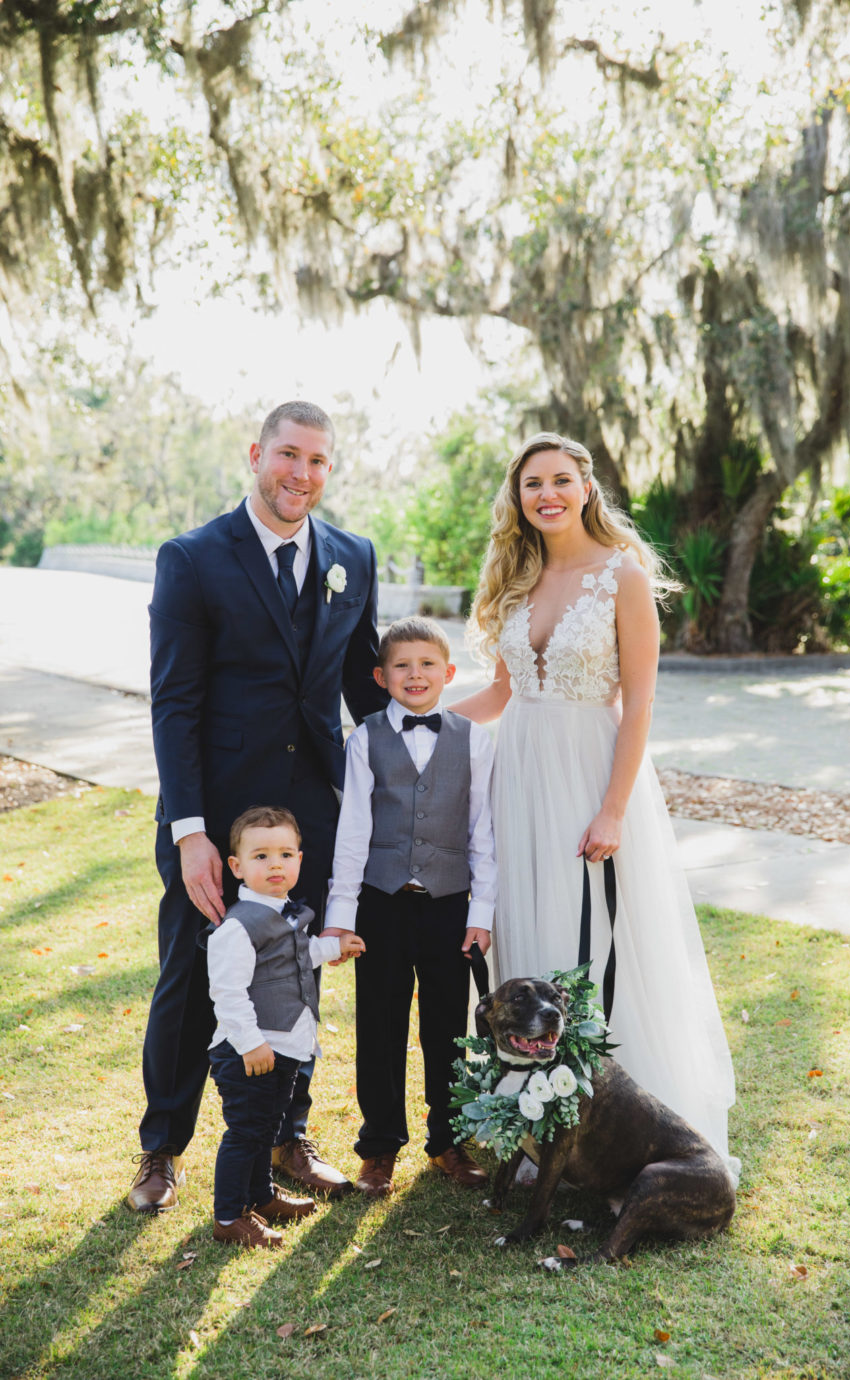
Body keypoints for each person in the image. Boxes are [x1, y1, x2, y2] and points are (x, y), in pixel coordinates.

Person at [452, 433, 738, 1175]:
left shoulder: (623, 576)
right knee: (528, 924)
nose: (546, 494)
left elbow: (640, 701)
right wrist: (415, 721)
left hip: (590, 773)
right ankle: (537, 1131)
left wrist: (612, 809)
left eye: (560, 480)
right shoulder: (516, 577)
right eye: (531, 484)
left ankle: (617, 1132)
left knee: (599, 944)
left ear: (586, 488)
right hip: (518, 776)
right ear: (517, 498)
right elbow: (501, 693)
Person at [128, 400, 388, 1213]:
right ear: (255, 455)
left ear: (328, 470)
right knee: (190, 979)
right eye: (287, 455)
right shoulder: (194, 558)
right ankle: (162, 1148)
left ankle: (286, 1134)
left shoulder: (353, 555)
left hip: (310, 816)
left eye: (316, 461)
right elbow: (174, 703)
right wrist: (193, 834)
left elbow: (362, 686)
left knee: (292, 984)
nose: (300, 475)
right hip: (219, 823)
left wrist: (445, 725)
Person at [323, 617, 496, 1198]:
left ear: (448, 674)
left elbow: (483, 834)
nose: (414, 675)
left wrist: (482, 912)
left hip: (449, 904)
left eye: (427, 665)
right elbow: (352, 833)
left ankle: (448, 1139)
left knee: (447, 1027)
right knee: (379, 1024)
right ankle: (378, 1148)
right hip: (380, 904)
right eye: (401, 665)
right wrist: (341, 916)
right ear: (380, 676)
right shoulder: (364, 739)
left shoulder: (474, 739)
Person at [206, 806, 365, 1248]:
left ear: (299, 859)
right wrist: (251, 1044)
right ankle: (229, 1216)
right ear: (236, 866)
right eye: (260, 856)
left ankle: (260, 1195)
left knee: (269, 1127)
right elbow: (228, 993)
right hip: (250, 1053)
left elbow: (295, 956)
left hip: (285, 1048)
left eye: (285, 854)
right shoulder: (238, 927)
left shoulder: (286, 914)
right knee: (245, 1133)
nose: (275, 864)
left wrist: (334, 946)